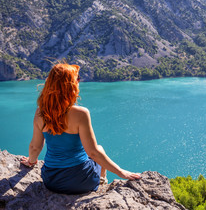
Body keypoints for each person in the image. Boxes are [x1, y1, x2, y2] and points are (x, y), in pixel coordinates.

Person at [21, 62, 141, 194]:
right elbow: (93, 152)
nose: (79, 81)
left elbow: (35, 147)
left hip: (51, 181)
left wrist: (31, 162)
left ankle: (98, 182)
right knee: (99, 148)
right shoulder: (81, 113)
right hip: (81, 181)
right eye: (77, 78)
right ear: (70, 85)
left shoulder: (40, 112)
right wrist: (121, 172)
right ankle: (101, 183)